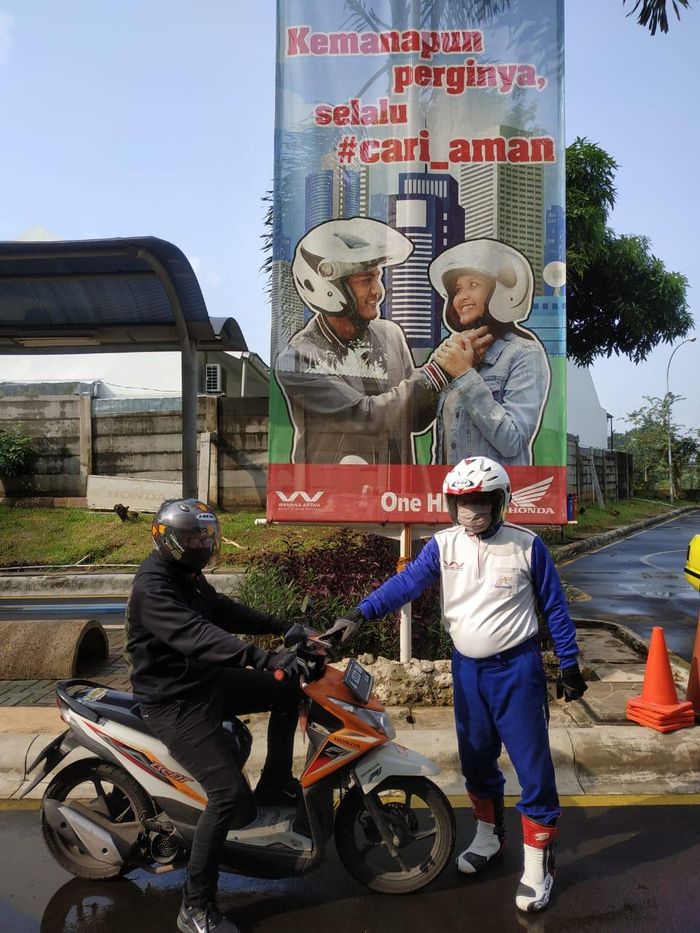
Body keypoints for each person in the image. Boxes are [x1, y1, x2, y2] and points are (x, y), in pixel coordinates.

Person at [326, 457, 587, 913]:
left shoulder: (527, 545)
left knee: (533, 769)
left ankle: (538, 866)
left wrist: (569, 664)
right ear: (451, 503)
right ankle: (489, 836)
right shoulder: (443, 545)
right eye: (463, 501)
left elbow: (556, 609)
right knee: (476, 759)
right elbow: (406, 583)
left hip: (517, 672)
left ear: (500, 500)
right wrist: (359, 614)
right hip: (467, 671)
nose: (472, 509)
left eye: (481, 500)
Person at [126, 498, 306, 933]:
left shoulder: (187, 575)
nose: (200, 543)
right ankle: (195, 905)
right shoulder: (155, 587)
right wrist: (260, 657)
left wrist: (282, 627)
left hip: (203, 683)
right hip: (173, 701)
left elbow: (220, 608)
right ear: (166, 540)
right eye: (190, 537)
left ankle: (276, 786)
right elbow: (197, 634)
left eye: (204, 535)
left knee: (287, 690)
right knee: (224, 793)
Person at [275, 217, 480, 464]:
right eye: (365, 281)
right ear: (327, 286)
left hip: (395, 496)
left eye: (378, 277)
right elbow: (364, 417)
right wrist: (438, 370)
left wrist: (457, 369)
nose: (378, 291)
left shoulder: (390, 335)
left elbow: (414, 419)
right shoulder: (299, 357)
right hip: (332, 495)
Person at [428, 239, 551, 465]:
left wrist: (464, 375)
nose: (461, 297)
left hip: (496, 497)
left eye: (473, 285)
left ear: (502, 293)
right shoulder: (455, 353)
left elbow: (512, 440)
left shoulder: (524, 353)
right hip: (452, 495)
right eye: (457, 289)